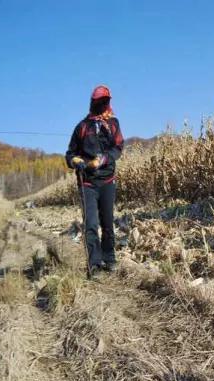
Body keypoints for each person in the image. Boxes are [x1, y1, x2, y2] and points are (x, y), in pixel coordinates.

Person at [65, 85, 124, 277]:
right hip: (87, 182)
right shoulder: (82, 127)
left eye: (106, 101)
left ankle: (110, 258)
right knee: (91, 223)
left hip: (107, 179)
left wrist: (103, 160)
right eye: (100, 102)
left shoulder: (113, 124)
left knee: (107, 221)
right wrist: (75, 161)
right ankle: (94, 264)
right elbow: (70, 154)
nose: (104, 104)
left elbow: (118, 147)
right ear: (93, 103)